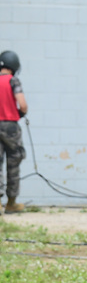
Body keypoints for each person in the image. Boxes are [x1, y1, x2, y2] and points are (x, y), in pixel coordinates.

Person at [0, 50, 28, 214]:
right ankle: (11, 202)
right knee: (13, 163)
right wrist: (21, 113)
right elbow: (22, 104)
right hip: (10, 127)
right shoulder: (13, 81)